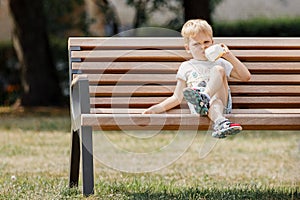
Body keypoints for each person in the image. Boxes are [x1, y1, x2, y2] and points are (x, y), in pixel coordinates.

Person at [143, 19, 251, 138]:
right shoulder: (186, 67)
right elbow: (177, 97)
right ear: (187, 48)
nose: (203, 47)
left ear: (212, 42)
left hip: (220, 104)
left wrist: (228, 55)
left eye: (206, 42)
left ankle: (205, 97)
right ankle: (221, 123)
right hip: (198, 109)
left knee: (218, 70)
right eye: (196, 44)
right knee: (215, 82)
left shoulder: (219, 62)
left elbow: (245, 76)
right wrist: (156, 109)